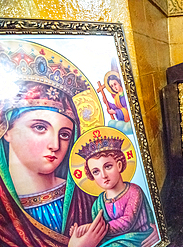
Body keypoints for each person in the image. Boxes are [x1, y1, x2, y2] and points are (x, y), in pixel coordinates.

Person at [0, 42, 107, 246]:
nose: (55, 145)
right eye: (40, 127)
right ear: (6, 130)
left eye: (65, 134)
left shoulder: (85, 196)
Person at [74, 136, 158, 246]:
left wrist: (92, 228)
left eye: (108, 166)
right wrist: (83, 233)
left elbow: (127, 222)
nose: (103, 175)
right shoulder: (97, 204)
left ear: (119, 165)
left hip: (138, 239)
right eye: (96, 172)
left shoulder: (134, 191)